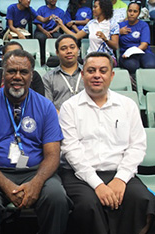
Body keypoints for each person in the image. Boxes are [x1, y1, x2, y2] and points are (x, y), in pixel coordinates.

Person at [0, 49, 71, 234]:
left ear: (31, 76)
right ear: (3, 74)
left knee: (57, 198)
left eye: (23, 72)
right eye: (11, 71)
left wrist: (37, 183)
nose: (17, 76)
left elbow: (53, 154)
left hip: (35, 172)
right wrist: (6, 184)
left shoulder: (46, 106)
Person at [59, 52, 155, 234]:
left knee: (142, 200)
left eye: (103, 71)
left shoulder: (127, 105)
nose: (97, 75)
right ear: (82, 74)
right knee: (88, 205)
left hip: (119, 172)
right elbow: (71, 151)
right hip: (80, 175)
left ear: (111, 75)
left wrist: (121, 178)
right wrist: (98, 185)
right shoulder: (69, 107)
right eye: (91, 70)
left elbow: (137, 146)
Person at [43, 34, 84, 111]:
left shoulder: (89, 74)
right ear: (57, 53)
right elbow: (48, 106)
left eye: (72, 47)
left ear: (78, 50)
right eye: (63, 48)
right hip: (60, 120)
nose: (69, 51)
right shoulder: (48, 77)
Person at [118, 1, 155, 75]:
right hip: (126, 55)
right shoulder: (120, 25)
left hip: (143, 52)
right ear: (127, 11)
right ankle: (134, 85)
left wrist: (133, 51)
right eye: (130, 11)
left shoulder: (143, 25)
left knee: (151, 65)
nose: (132, 13)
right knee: (133, 66)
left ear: (139, 13)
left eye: (135, 11)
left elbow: (144, 44)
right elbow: (113, 41)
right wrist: (119, 32)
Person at [34, 0, 65, 64]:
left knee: (60, 37)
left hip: (53, 31)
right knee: (41, 38)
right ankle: (42, 60)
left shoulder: (60, 11)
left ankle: (58, 59)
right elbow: (38, 24)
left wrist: (53, 31)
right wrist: (45, 32)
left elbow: (60, 25)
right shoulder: (41, 9)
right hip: (41, 31)